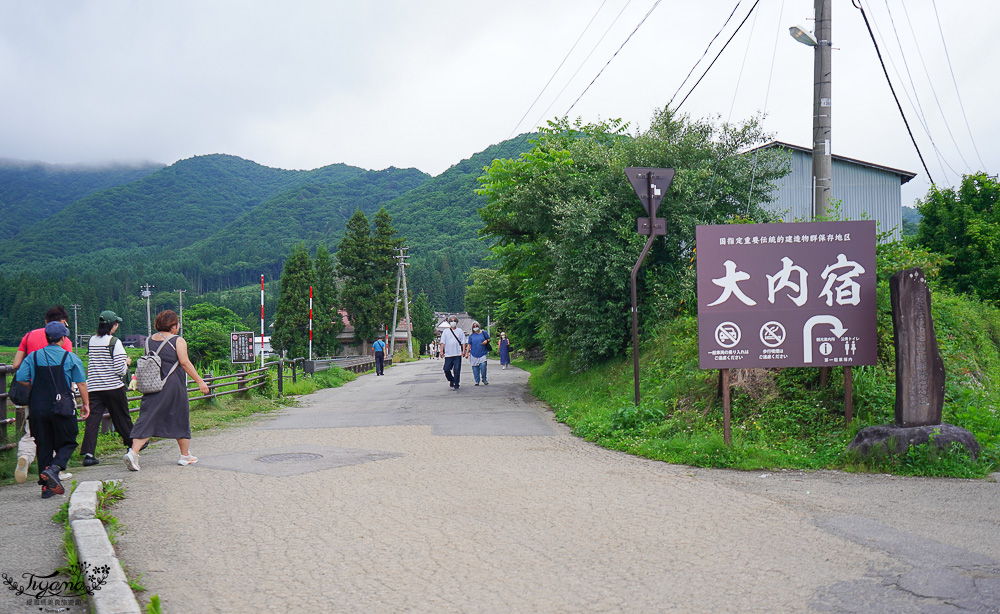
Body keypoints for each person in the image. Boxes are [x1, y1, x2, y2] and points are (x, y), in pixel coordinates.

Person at [124, 310, 209, 471]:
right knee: (180, 417)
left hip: (152, 385)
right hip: (173, 385)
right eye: (177, 324)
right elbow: (184, 362)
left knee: (147, 418)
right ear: (173, 326)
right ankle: (184, 456)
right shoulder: (178, 340)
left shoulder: (148, 341)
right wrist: (200, 381)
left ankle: (133, 452)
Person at [14, 321, 90, 498]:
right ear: (63, 338)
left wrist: (37, 387)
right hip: (62, 406)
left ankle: (46, 488)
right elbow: (81, 383)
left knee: (43, 445)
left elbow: (21, 378)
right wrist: (86, 404)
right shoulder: (70, 357)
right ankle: (54, 469)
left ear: (47, 338)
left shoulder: (32, 357)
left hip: (38, 407)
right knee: (69, 440)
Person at [11, 306, 74, 484]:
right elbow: (67, 368)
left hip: (35, 392)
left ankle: (25, 456)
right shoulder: (64, 340)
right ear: (62, 324)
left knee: (33, 430)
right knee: (55, 431)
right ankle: (54, 471)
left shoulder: (29, 335)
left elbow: (16, 364)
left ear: (46, 322)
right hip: (57, 393)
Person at [80, 311, 134, 466]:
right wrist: (127, 362)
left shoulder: (91, 340)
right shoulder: (114, 342)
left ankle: (89, 454)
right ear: (112, 325)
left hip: (95, 387)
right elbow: (119, 369)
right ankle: (132, 447)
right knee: (121, 416)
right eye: (116, 324)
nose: (117, 326)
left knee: (93, 420)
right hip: (113, 386)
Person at [441, 316, 468, 390]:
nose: (453, 322)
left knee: (457, 369)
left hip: (457, 354)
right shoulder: (445, 332)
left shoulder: (460, 331)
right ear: (449, 322)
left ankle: (456, 383)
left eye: (454, 321)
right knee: (446, 369)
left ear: (456, 322)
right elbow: (443, 342)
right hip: (448, 354)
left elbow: (463, 342)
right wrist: (441, 351)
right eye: (451, 321)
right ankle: (451, 379)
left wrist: (463, 351)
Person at [467, 321, 490, 386]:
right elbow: (469, 345)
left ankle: (484, 378)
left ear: (479, 326)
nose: (475, 327)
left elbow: (489, 339)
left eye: (476, 326)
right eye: (474, 326)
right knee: (475, 368)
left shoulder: (483, 333)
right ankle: (477, 381)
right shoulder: (471, 336)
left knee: (483, 366)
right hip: (474, 353)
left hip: (482, 353)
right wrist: (466, 353)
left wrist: (486, 341)